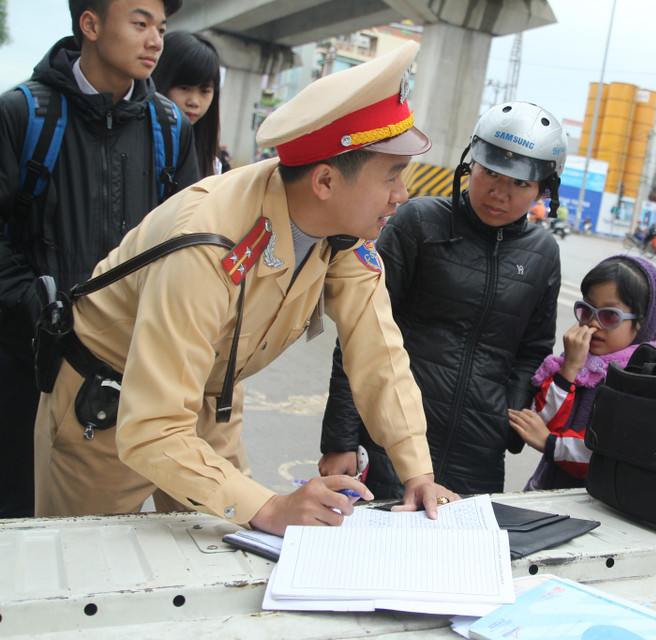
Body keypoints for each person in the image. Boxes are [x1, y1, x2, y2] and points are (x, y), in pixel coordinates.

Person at [33, 41, 456, 535]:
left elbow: (379, 352)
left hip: (210, 403)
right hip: (106, 410)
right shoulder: (207, 243)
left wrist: (417, 471)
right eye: (392, 176)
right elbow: (152, 427)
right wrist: (271, 507)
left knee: (233, 561)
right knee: (88, 578)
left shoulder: (342, 234)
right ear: (324, 181)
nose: (403, 196)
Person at [0, 0, 200, 519]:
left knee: (112, 529)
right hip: (31, 366)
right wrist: (37, 311)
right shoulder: (24, 114)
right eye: (139, 24)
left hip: (133, 367)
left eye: (161, 27)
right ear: (90, 24)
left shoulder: (171, 127)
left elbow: (193, 242)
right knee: (23, 516)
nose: (156, 40)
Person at [318, 101, 567, 499]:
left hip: (478, 455)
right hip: (389, 442)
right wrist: (340, 439)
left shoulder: (542, 254)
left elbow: (532, 350)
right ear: (472, 165)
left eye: (520, 184)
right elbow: (362, 335)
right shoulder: (418, 223)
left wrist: (505, 419)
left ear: (544, 189)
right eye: (490, 172)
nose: (499, 193)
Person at [509, 255, 656, 490]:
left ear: (642, 323)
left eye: (610, 315)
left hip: (595, 506)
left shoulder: (643, 380)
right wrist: (569, 368)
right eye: (587, 311)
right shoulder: (573, 361)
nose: (594, 323)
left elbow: (610, 454)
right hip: (544, 493)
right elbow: (539, 422)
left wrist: (551, 444)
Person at [152, 30, 222, 177]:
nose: (194, 102)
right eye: (184, 88)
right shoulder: (138, 144)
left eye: (205, 91)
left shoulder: (213, 163)